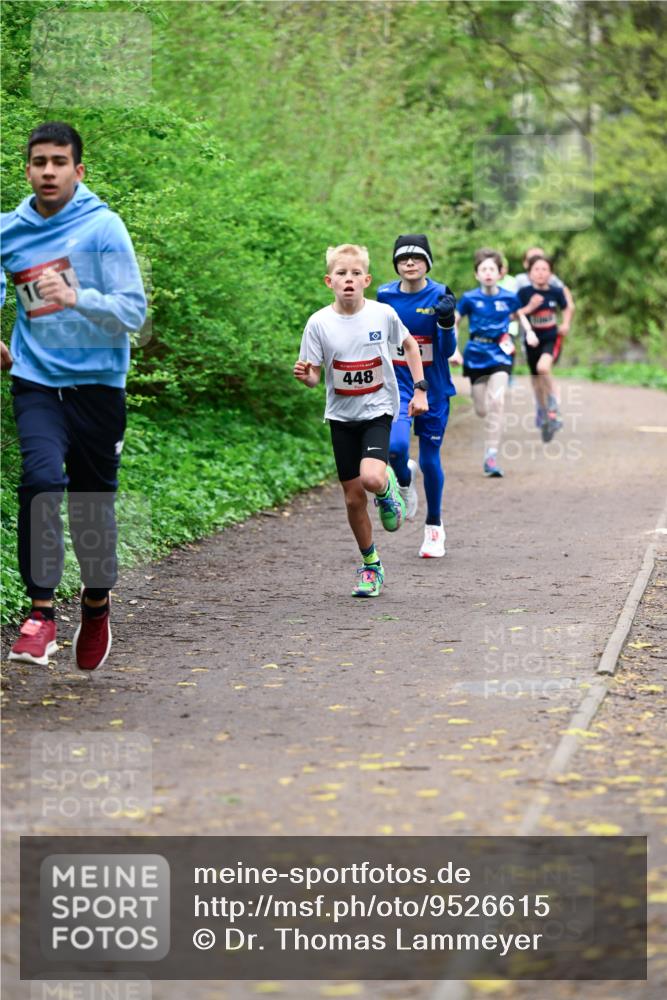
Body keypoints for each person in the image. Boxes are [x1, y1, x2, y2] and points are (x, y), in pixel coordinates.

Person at [1, 121, 146, 669]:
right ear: (27, 169)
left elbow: (134, 312)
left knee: (92, 507)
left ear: (77, 171)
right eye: (39, 162)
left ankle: (96, 602)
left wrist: (78, 296)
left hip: (98, 386)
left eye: (59, 162)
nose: (48, 171)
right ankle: (40, 614)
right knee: (40, 478)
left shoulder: (104, 228)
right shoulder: (9, 230)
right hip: (36, 379)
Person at [294, 244, 428, 597]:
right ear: (329, 281)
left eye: (355, 274)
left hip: (378, 409)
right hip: (341, 416)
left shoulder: (382, 314)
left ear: (366, 279)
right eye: (341, 274)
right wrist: (304, 377)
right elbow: (313, 376)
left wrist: (420, 389)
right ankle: (372, 566)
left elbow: (410, 345)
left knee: (370, 477)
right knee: (353, 500)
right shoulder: (318, 323)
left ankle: (387, 492)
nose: (348, 280)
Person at [376, 234, 456, 558]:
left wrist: (447, 322)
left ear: (427, 263)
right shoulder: (384, 295)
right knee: (395, 450)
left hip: (433, 385)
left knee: (429, 457)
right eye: (403, 258)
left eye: (417, 257)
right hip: (398, 384)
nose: (409, 263)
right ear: (396, 264)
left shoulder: (440, 294)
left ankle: (434, 528)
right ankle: (404, 483)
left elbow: (447, 351)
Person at [451, 248, 522, 478]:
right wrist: (454, 349)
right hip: (476, 354)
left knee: (497, 401)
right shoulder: (470, 298)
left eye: (492, 269)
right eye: (484, 269)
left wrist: (529, 333)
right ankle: (484, 413)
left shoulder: (509, 298)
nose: (488, 273)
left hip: (501, 353)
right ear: (477, 274)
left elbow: (520, 316)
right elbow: (454, 321)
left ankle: (491, 455)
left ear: (500, 273)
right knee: (482, 409)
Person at [516, 254, 569, 442]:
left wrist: (566, 323)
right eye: (536, 269)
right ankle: (546, 415)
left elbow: (567, 307)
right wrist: (529, 308)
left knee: (543, 368)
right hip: (531, 341)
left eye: (544, 269)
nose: (540, 273)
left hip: (551, 338)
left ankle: (554, 401)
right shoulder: (523, 293)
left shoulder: (556, 291)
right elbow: (513, 315)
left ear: (551, 273)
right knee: (537, 381)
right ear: (529, 273)